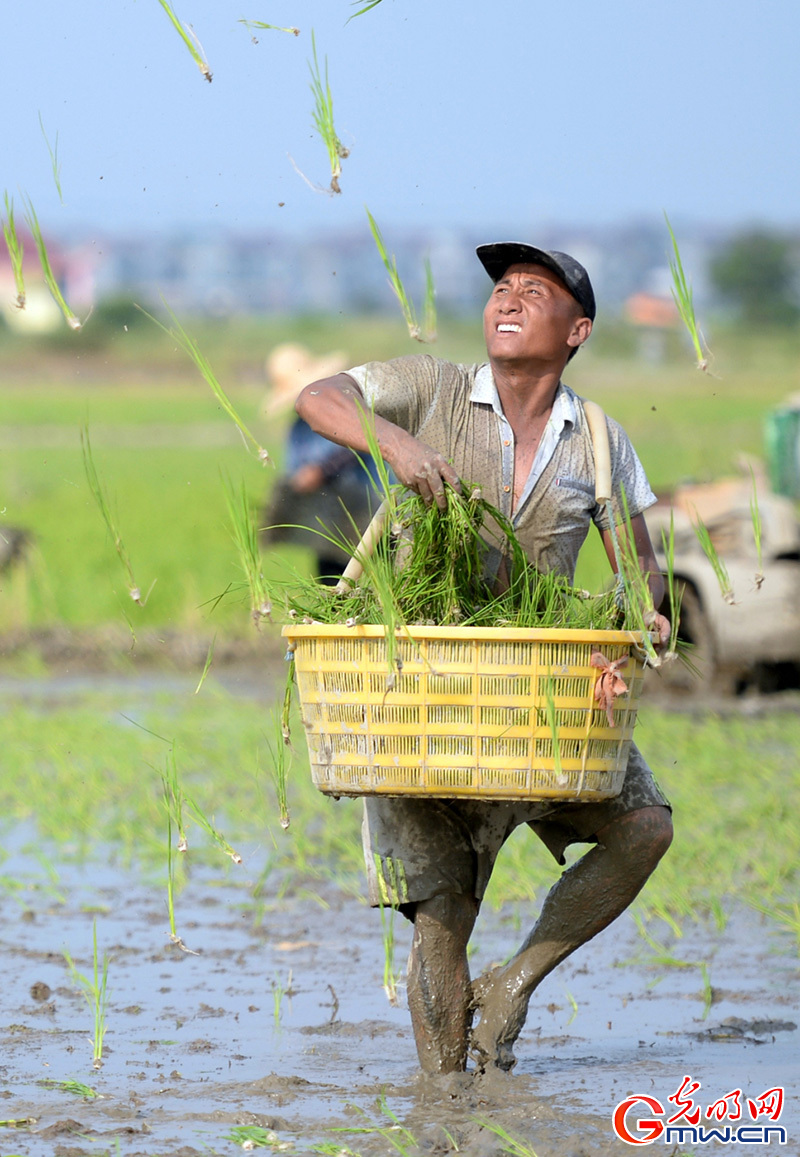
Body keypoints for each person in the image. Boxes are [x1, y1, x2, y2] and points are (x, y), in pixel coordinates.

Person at [295, 242, 673, 1074]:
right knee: (443, 915)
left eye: (533, 291)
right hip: (422, 689)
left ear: (576, 329)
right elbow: (319, 397)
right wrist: (393, 445)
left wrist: (639, 620)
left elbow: (638, 568)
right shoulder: (428, 388)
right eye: (501, 286)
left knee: (644, 827)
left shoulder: (600, 441)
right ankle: (444, 1103)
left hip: (535, 695)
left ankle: (516, 982)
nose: (507, 297)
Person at [260, 343, 382, 583]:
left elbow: (358, 444)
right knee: (332, 584)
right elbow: (295, 473)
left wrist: (322, 471)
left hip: (370, 513)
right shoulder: (298, 430)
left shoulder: (347, 411)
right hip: (331, 524)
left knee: (382, 579)